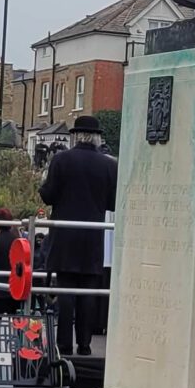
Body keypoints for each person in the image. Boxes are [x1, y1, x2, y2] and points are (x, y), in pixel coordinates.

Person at [38, 114, 117, 358]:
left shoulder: (62, 160)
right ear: (96, 137)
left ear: (76, 136)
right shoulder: (109, 165)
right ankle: (85, 344)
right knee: (88, 293)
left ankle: (64, 344)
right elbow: (113, 202)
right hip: (92, 236)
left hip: (65, 233)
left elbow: (48, 195)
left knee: (66, 291)